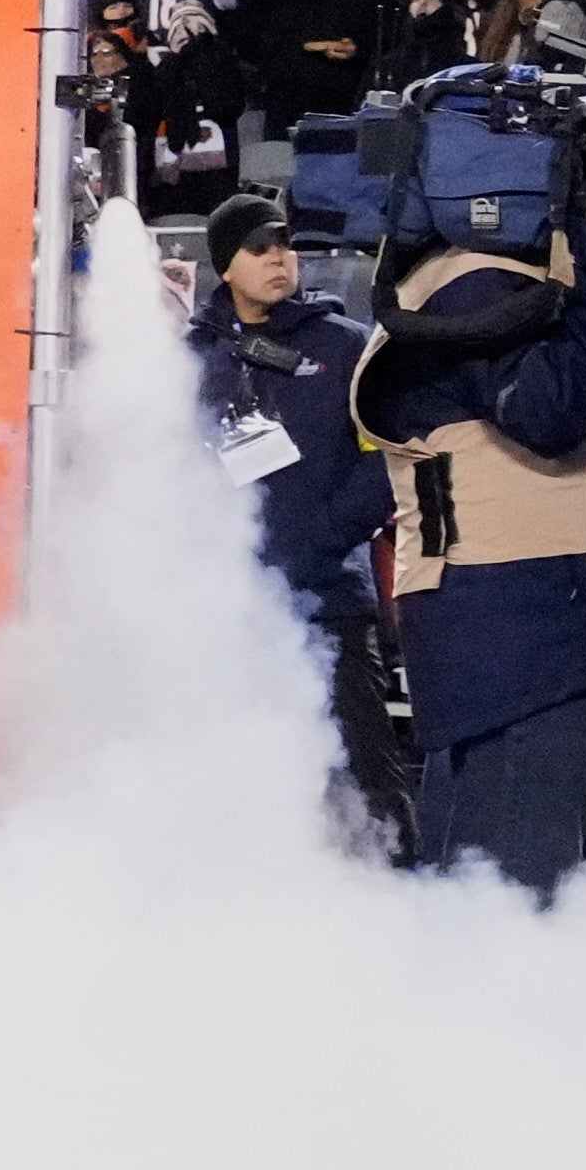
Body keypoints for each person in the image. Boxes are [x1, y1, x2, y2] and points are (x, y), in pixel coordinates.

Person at [350, 157, 586, 897]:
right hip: (529, 635)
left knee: (577, 904)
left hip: (576, 619)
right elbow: (551, 412)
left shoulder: (532, 275)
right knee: (514, 906)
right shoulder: (469, 279)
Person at [188, 195, 412, 858]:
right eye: (259, 246)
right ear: (226, 265)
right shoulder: (191, 358)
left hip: (331, 603)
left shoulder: (345, 345)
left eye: (285, 242)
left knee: (367, 780)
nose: (279, 256)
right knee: (232, 781)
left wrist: (320, 537)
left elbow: (388, 454)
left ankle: (396, 901)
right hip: (226, 613)